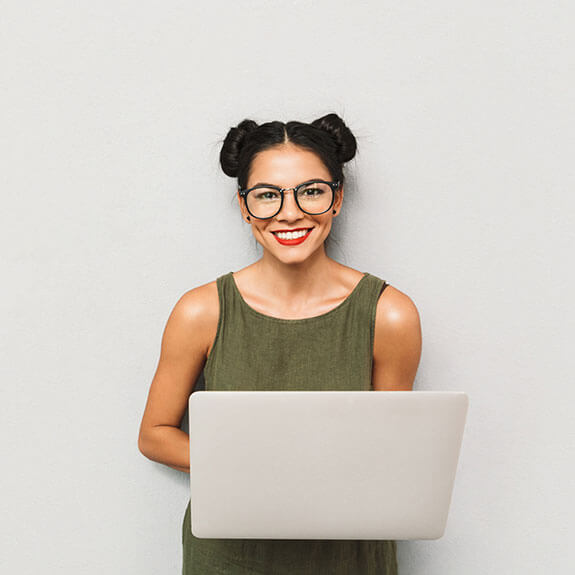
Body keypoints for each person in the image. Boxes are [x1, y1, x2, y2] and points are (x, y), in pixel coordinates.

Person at [138, 113, 422, 574]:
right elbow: (154, 434)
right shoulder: (201, 311)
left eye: (311, 191)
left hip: (348, 556)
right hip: (232, 556)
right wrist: (261, 466)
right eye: (268, 195)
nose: (290, 213)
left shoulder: (389, 314)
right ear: (244, 205)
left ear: (338, 197)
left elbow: (390, 450)